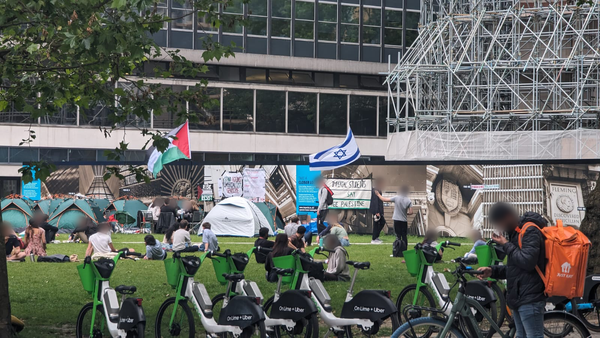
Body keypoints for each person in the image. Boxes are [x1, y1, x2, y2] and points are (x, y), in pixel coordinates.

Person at [477, 202, 546, 338]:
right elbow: (515, 269)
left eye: (500, 222)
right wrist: (492, 271)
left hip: (530, 297)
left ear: (508, 216)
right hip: (519, 297)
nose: (500, 227)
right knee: (521, 335)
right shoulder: (516, 234)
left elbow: (527, 262)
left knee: (533, 335)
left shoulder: (530, 230)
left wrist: (506, 244)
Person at [375, 186, 412, 257]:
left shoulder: (396, 198)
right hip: (404, 221)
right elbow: (411, 212)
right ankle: (405, 252)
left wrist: (378, 194)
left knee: (398, 236)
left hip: (397, 220)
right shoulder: (408, 200)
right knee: (404, 236)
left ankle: (397, 252)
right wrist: (405, 213)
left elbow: (384, 200)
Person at [369, 178, 386, 244]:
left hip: (379, 211)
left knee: (381, 223)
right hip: (377, 211)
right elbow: (375, 202)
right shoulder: (375, 191)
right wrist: (377, 212)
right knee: (377, 224)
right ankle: (374, 238)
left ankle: (376, 237)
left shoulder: (378, 190)